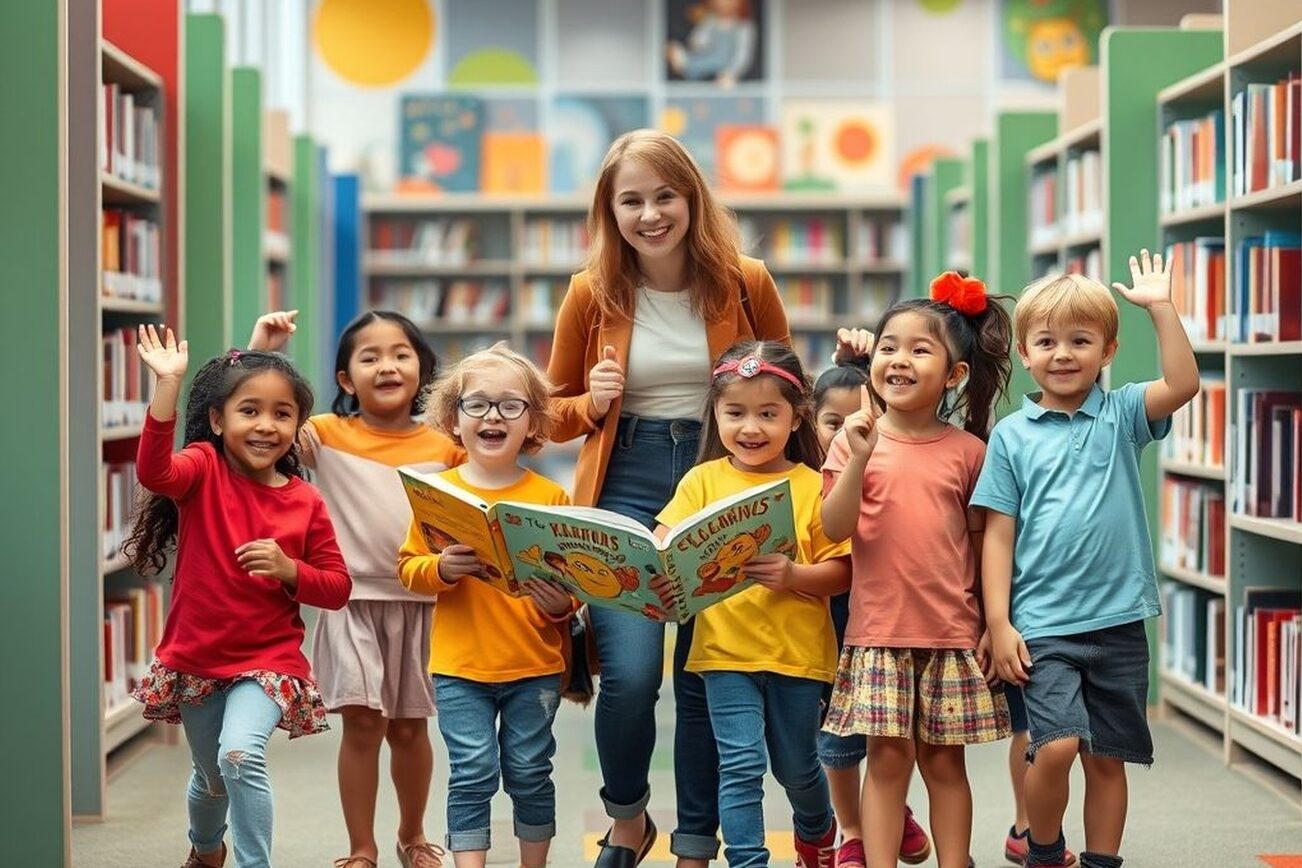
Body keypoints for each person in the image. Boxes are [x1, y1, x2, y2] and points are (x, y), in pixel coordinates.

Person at [546, 128, 793, 868]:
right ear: (609, 210)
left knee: (703, 677)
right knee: (627, 674)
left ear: (691, 198)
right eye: (631, 201)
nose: (650, 214)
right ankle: (628, 819)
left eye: (664, 196)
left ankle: (693, 841)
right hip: (626, 480)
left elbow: (787, 387)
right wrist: (588, 402)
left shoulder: (745, 281)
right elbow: (547, 410)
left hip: (723, 482)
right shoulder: (591, 293)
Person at [973, 252, 1198, 868]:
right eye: (1046, 342)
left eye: (1081, 340)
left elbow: (1183, 384)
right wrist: (998, 622)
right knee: (1055, 745)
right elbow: (997, 534)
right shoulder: (1012, 437)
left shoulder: (1124, 414)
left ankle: (1101, 860)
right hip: (1043, 625)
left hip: (1120, 620)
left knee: (1108, 757)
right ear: (1024, 354)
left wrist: (1161, 309)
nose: (1064, 353)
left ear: (1108, 350)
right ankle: (1044, 847)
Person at [123, 326, 352, 868]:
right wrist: (168, 385)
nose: (266, 425)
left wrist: (289, 569)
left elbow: (338, 587)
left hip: (267, 663)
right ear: (218, 421)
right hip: (197, 659)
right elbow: (153, 470)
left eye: (282, 414)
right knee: (211, 778)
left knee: (240, 755)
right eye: (249, 411)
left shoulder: (306, 502)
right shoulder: (202, 469)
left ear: (297, 427)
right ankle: (207, 851)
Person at [248, 310, 462, 868]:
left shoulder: (447, 445)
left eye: (400, 354)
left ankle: (413, 836)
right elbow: (257, 422)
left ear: (423, 368)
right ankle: (361, 848)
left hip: (427, 601)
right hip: (348, 600)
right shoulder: (323, 435)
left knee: (411, 726)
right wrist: (263, 351)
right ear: (345, 379)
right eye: (369, 357)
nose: (386, 366)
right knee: (364, 724)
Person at [821, 272, 1015, 868]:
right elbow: (834, 527)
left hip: (951, 633)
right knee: (885, 761)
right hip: (878, 633)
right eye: (888, 347)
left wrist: (992, 621)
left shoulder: (970, 452)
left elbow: (984, 544)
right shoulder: (853, 442)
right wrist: (858, 454)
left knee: (943, 762)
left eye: (919, 349)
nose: (899, 360)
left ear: (954, 375)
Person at [652, 340, 850, 866]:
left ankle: (818, 825)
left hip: (798, 656)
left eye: (769, 413)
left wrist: (793, 575)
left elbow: (842, 571)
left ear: (796, 416)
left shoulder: (814, 485)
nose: (751, 428)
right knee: (739, 765)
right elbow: (665, 545)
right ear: (714, 413)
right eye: (735, 413)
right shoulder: (701, 480)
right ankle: (748, 860)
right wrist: (660, 578)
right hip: (723, 656)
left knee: (797, 767)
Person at [397, 343, 576, 868]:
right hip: (459, 667)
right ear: (454, 420)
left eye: (510, 405)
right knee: (471, 770)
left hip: (534, 664)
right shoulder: (435, 496)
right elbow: (408, 569)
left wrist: (561, 604)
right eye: (476, 405)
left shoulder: (552, 498)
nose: (492, 416)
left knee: (529, 769)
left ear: (534, 423)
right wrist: (442, 569)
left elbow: (573, 590)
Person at [811, 361, 933, 868]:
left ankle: (890, 806)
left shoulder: (895, 456)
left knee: (891, 731)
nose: (845, 431)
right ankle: (854, 829)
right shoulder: (803, 477)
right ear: (808, 423)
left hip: (886, 618)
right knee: (836, 736)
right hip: (825, 627)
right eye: (830, 423)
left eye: (856, 418)